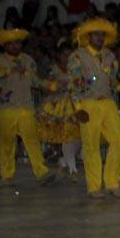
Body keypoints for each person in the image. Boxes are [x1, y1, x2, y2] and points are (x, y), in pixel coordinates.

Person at [67, 18, 120, 197]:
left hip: (108, 102)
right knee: (91, 146)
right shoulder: (77, 57)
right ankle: (94, 187)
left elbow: (113, 82)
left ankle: (113, 183)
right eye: (96, 35)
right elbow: (73, 85)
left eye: (102, 35)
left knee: (118, 140)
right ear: (88, 36)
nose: (100, 38)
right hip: (88, 103)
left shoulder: (110, 56)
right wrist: (78, 108)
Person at [0, 28, 53, 187]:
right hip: (6, 109)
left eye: (17, 43)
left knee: (32, 141)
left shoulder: (28, 60)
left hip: (26, 107)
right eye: (11, 44)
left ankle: (42, 172)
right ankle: (7, 176)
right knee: (7, 144)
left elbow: (35, 80)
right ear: (5, 45)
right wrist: (10, 70)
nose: (15, 46)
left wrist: (51, 86)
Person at [36, 39, 82, 179]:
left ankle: (64, 161)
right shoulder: (54, 70)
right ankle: (73, 169)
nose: (67, 58)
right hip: (59, 108)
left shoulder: (77, 69)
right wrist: (57, 86)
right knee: (66, 136)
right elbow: (47, 87)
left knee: (80, 137)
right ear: (59, 56)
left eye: (70, 55)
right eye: (64, 55)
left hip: (76, 105)